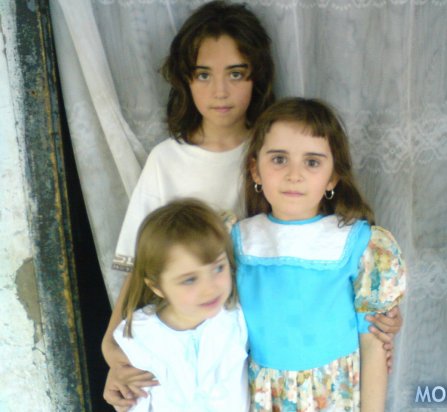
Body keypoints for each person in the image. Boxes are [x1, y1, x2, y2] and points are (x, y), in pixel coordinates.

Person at [103, 1, 402, 408]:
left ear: (256, 76)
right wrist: (115, 355)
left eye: (236, 73)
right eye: (203, 74)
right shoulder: (167, 160)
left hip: (269, 352)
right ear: (185, 80)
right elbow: (143, 270)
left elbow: (329, 260)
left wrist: (378, 319)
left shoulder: (281, 143)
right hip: (217, 353)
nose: (220, 91)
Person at [232, 97, 407, 411]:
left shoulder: (357, 243)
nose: (294, 174)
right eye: (279, 159)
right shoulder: (237, 241)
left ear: (332, 177)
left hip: (334, 396)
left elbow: (373, 342)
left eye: (312, 162)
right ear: (255, 170)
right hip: (262, 396)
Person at [113, 199, 248, 411]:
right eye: (190, 280)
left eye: (218, 268)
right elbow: (132, 402)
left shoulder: (236, 317)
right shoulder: (140, 335)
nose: (210, 288)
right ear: (157, 286)